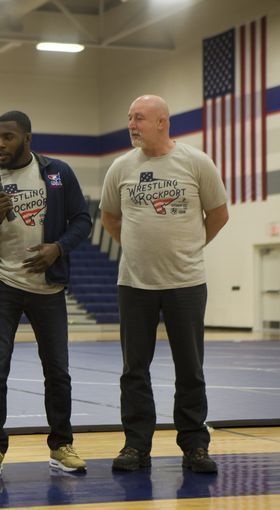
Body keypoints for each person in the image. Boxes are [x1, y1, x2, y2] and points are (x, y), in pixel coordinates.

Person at [99, 94, 229, 473]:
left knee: (190, 368)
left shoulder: (195, 162)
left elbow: (219, 214)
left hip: (186, 283)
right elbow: (109, 218)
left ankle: (194, 446)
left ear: (162, 122)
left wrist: (189, 247)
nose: (132, 124)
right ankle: (136, 446)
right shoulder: (120, 168)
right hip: (135, 285)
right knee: (134, 369)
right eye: (129, 118)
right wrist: (140, 250)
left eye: (139, 117)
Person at [0, 111, 92, 476]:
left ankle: (62, 445)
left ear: (27, 139)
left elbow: (82, 219)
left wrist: (58, 248)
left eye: (7, 137)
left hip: (48, 288)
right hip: (2, 287)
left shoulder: (57, 173)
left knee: (58, 372)